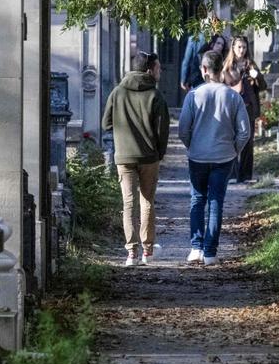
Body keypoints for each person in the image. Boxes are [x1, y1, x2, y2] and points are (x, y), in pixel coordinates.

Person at [178, 50, 251, 265]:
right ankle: (210, 252)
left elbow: (183, 129)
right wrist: (234, 150)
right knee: (216, 201)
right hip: (223, 156)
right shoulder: (233, 96)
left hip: (198, 156)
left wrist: (192, 145)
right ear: (221, 69)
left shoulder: (193, 95)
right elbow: (244, 132)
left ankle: (196, 248)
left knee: (197, 199)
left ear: (204, 69)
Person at [102, 51, 171, 266]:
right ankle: (147, 251)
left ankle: (131, 253)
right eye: (158, 67)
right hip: (148, 156)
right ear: (149, 70)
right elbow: (162, 130)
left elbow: (106, 123)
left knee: (128, 203)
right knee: (147, 201)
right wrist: (159, 153)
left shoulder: (117, 92)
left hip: (124, 156)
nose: (160, 71)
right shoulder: (155, 95)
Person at [221, 35, 267, 182]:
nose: (242, 50)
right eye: (239, 47)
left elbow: (263, 86)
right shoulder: (227, 66)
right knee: (231, 139)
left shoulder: (251, 65)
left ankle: (245, 175)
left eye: (244, 47)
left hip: (248, 107)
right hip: (231, 107)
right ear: (233, 48)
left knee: (247, 141)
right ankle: (232, 173)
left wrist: (257, 76)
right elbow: (221, 86)